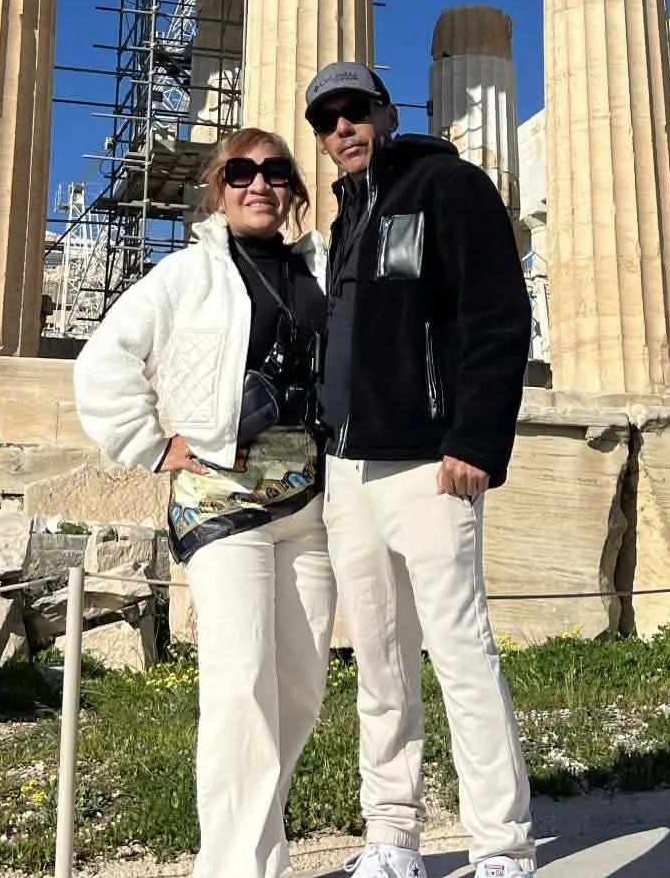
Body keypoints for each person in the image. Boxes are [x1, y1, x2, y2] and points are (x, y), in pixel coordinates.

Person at [74, 128, 333, 878]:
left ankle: (260, 846)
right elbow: (106, 361)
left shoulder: (316, 268)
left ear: (293, 190)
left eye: (277, 173)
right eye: (242, 173)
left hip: (311, 501)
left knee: (300, 685)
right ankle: (234, 868)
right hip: (221, 499)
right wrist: (153, 444)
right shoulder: (185, 275)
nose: (260, 185)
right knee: (238, 681)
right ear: (218, 189)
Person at [304, 61, 536, 878]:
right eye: (325, 120)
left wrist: (474, 439)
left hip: (431, 464)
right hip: (349, 469)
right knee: (379, 662)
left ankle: (502, 847)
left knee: (461, 653)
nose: (340, 129)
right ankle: (392, 836)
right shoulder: (346, 218)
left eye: (354, 110)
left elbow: (498, 314)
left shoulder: (449, 185)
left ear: (387, 111)